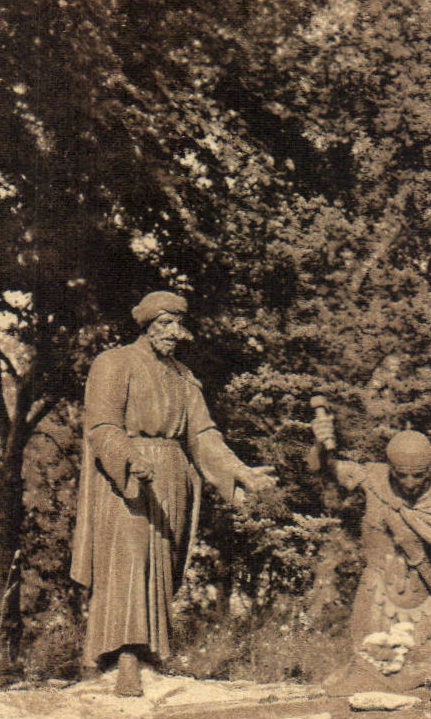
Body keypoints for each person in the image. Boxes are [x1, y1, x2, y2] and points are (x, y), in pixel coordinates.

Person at [70, 291, 276, 696]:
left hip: (171, 478)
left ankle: (149, 653)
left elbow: (203, 434)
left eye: (178, 325)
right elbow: (101, 426)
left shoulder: (184, 377)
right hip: (125, 480)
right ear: (146, 326)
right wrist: (127, 459)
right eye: (165, 325)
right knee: (127, 561)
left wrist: (240, 471)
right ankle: (122, 656)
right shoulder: (114, 363)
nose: (175, 334)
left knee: (160, 564)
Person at [309, 408, 431, 656]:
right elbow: (320, 467)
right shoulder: (372, 479)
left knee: (423, 670)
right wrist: (320, 444)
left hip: (423, 604)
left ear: (429, 469)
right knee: (370, 668)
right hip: (374, 596)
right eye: (402, 475)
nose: (410, 483)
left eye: (418, 475)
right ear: (391, 467)